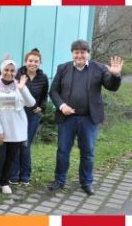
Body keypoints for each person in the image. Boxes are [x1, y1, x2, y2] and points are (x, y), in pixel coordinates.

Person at [48, 40, 122, 196]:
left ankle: (86, 182)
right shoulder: (63, 68)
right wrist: (62, 106)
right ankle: (59, 180)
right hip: (67, 118)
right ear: (72, 53)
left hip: (88, 119)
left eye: (83, 52)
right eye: (76, 52)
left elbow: (111, 86)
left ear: (88, 53)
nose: (79, 55)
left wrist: (115, 75)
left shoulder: (99, 68)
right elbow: (53, 91)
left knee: (88, 152)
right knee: (62, 151)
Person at [0, 60, 36, 196]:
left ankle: (4, 182)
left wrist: (22, 88)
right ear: (2, 71)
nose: (9, 73)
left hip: (16, 131)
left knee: (10, 158)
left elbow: (31, 103)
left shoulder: (19, 86)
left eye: (12, 70)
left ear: (15, 72)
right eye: (6, 70)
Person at [9, 49, 49, 186]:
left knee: (25, 145)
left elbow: (44, 96)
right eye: (30, 61)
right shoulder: (18, 74)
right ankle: (13, 175)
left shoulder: (43, 78)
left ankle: (25, 175)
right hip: (18, 113)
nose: (33, 63)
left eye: (36, 61)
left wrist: (41, 107)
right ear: (26, 62)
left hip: (33, 115)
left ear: (40, 63)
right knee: (16, 144)